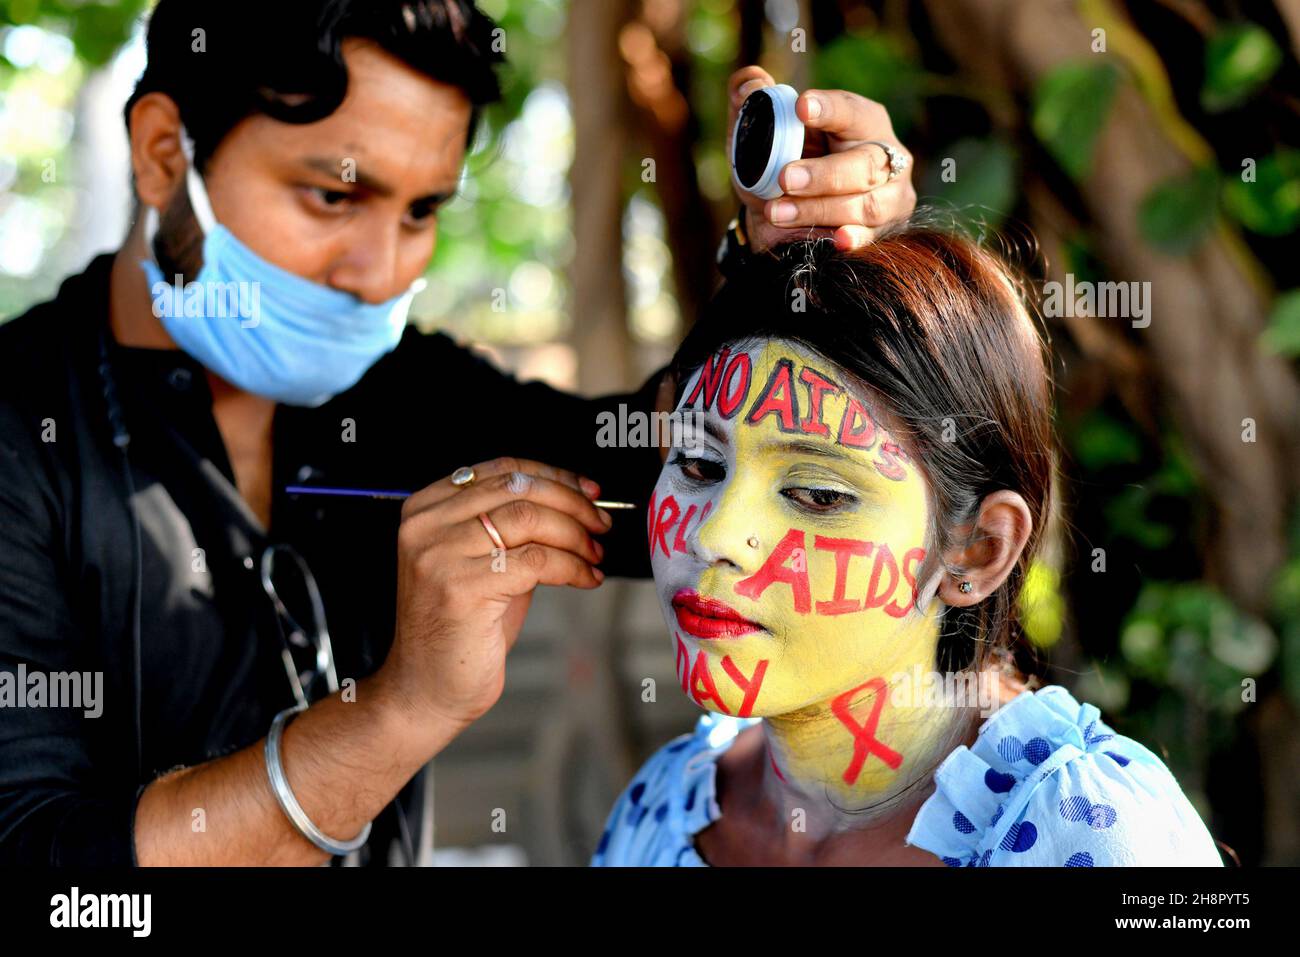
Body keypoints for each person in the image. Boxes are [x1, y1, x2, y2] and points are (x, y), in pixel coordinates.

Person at [0, 0, 917, 865]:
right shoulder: (22, 436)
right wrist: (398, 712)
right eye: (332, 196)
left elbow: (653, 484)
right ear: (163, 152)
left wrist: (780, 265)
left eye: (421, 211)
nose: (379, 270)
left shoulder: (404, 393)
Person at [588, 230, 1225, 866]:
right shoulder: (668, 801)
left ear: (978, 548)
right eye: (699, 464)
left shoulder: (1090, 833)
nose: (713, 535)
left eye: (816, 494)